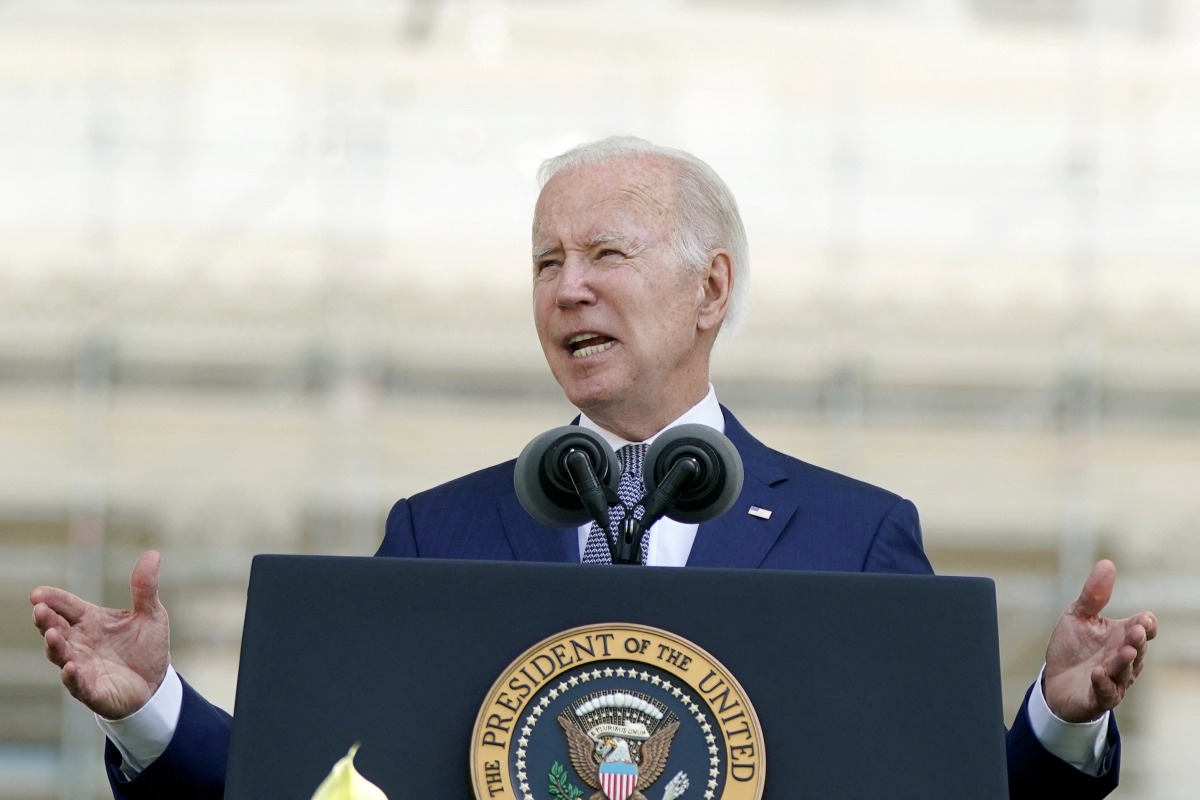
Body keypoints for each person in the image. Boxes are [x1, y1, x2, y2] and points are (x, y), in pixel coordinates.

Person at [31, 136, 1157, 800]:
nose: (567, 288)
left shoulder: (856, 534)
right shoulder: (437, 532)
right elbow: (326, 777)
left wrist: (1057, 714)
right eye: (545, 261)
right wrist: (152, 709)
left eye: (607, 254)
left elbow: (938, 785)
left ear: (711, 288)